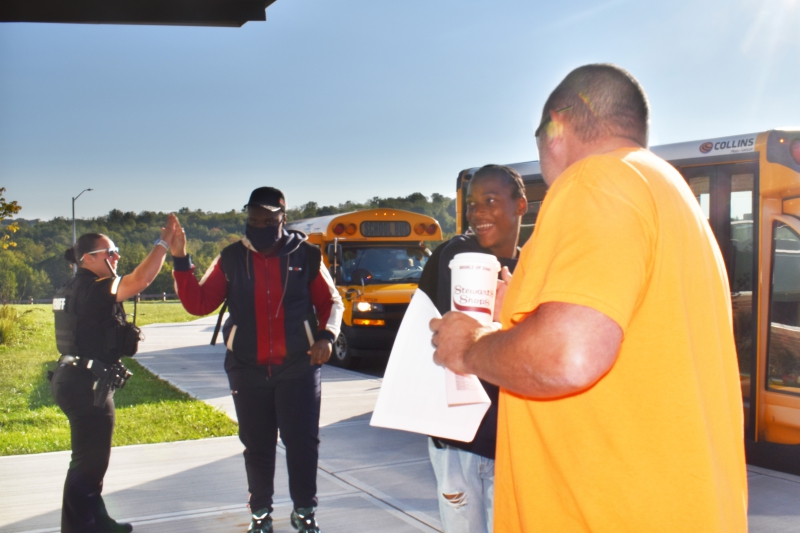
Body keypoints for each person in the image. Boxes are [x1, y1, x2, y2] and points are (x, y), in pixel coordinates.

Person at [431, 64, 748, 532]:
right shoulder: (669, 193)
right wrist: (518, 318)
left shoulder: (593, 180)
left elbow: (571, 355)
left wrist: (471, 346)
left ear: (555, 128)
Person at [170, 187, 343, 533]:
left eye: (268, 220)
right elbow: (199, 303)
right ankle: (260, 515)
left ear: (283, 218)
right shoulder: (231, 257)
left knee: (302, 443)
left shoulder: (306, 256)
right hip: (247, 369)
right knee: (257, 445)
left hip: (297, 367)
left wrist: (326, 337)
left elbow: (332, 303)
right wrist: (180, 259)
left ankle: (304, 512)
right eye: (253, 219)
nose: (260, 225)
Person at [51, 214, 179, 533]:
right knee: (89, 465)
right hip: (86, 386)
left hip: (73, 378)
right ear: (87, 259)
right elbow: (140, 281)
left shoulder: (71, 287)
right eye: (110, 252)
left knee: (88, 461)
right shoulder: (94, 288)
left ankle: (99, 522)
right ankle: (79, 528)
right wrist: (164, 244)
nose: (116, 257)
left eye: (116, 250)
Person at [418, 164, 526, 533]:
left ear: (521, 206)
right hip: (456, 438)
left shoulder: (534, 269)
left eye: (490, 201)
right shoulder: (456, 255)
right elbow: (427, 331)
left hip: (509, 439)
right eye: (472, 204)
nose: (478, 212)